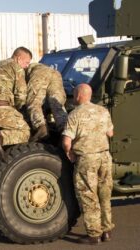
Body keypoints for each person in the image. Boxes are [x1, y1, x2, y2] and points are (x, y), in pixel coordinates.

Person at [62, 84, 114, 245]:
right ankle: (106, 230)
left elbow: (66, 141)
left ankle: (94, 235)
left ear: (78, 96)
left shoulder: (74, 114)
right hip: (105, 157)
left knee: (88, 196)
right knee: (105, 194)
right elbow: (111, 133)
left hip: (87, 159)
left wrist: (69, 152)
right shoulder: (103, 111)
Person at [0, 47, 32, 161]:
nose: (27, 66)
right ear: (19, 58)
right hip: (2, 109)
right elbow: (21, 94)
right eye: (27, 62)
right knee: (25, 131)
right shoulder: (17, 68)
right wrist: (17, 108)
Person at [26, 63, 67, 142]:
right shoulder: (47, 68)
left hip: (39, 73)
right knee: (57, 104)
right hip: (55, 73)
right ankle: (64, 129)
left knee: (34, 102)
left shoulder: (23, 69)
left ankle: (41, 127)